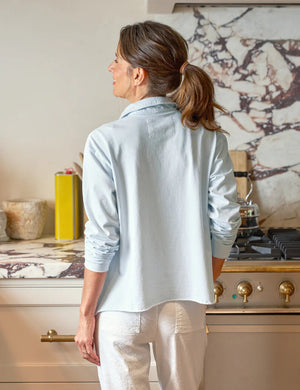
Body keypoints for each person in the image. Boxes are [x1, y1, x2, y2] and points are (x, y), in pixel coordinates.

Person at [75, 20, 241, 390]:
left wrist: (86, 315)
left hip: (120, 304)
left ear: (138, 74)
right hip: (185, 304)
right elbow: (228, 221)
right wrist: (202, 276)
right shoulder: (208, 138)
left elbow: (103, 236)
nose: (110, 68)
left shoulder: (105, 140)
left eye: (116, 60)